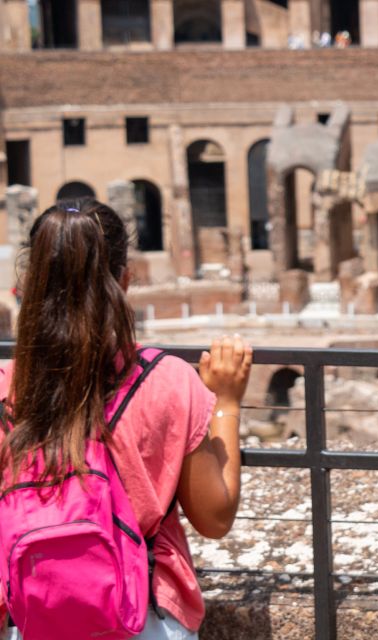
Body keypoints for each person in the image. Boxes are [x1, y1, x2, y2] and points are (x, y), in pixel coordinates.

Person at [0, 199, 253, 639]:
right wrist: (226, 400)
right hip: (145, 613)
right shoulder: (167, 379)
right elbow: (215, 518)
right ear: (125, 279)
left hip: (38, 614)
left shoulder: (5, 387)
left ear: (33, 280)